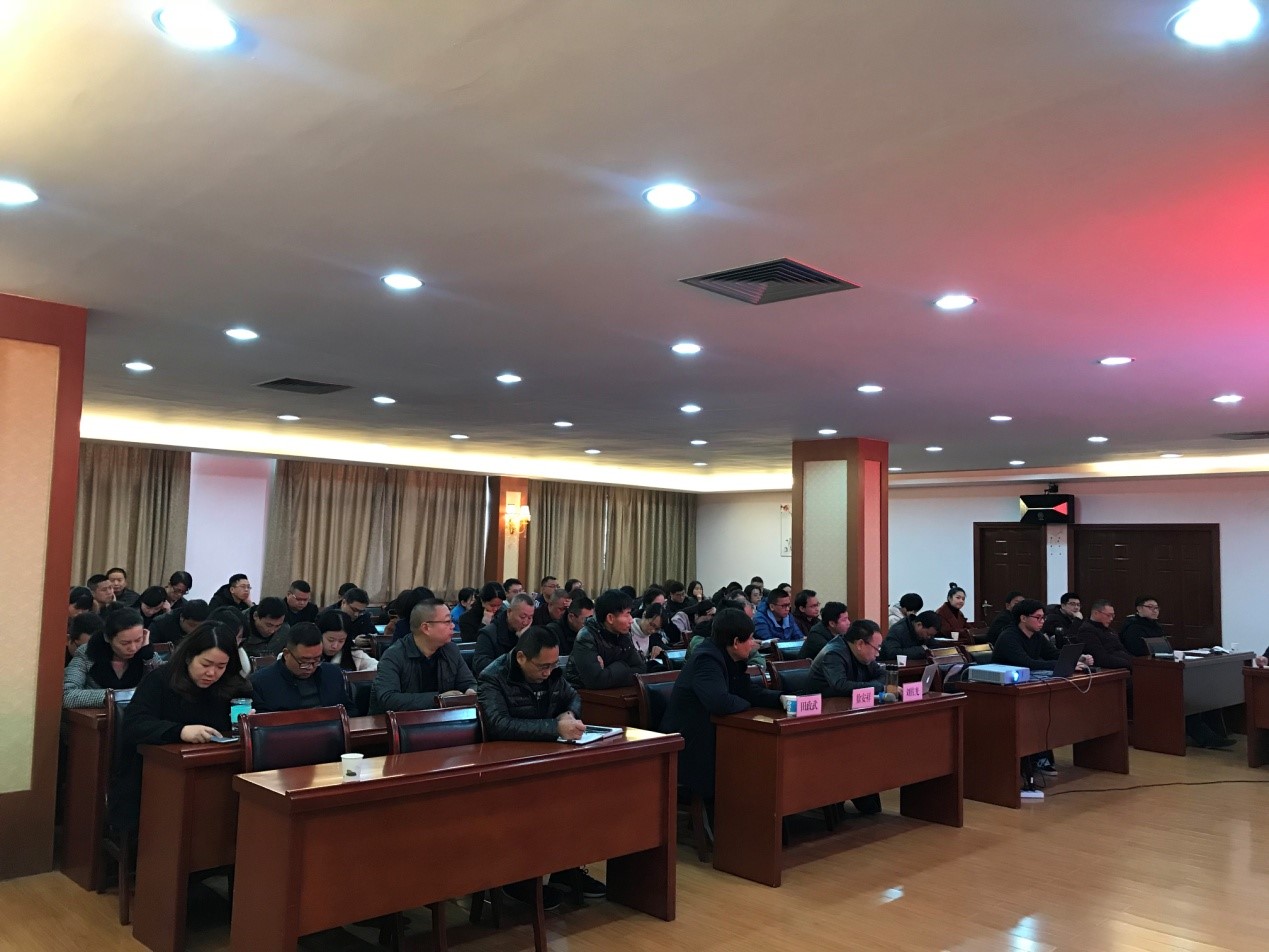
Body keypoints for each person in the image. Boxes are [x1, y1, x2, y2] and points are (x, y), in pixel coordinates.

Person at [477, 627, 604, 905]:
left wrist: (569, 714)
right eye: (543, 667)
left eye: (553, 665)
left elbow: (572, 695)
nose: (549, 672)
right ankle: (517, 880)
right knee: (537, 809)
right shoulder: (493, 677)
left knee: (580, 800)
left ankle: (566, 869)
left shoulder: (552, 672)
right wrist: (553, 727)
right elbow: (498, 725)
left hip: (546, 757)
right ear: (521, 657)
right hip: (506, 766)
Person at [109, 622, 250, 832]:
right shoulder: (160, 680)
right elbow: (134, 724)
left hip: (214, 776)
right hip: (151, 778)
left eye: (221, 667)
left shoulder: (233, 685)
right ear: (188, 657)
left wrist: (248, 723)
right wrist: (181, 731)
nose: (212, 673)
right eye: (205, 664)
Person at [661, 608, 783, 809]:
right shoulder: (707, 659)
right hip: (689, 743)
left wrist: (780, 699)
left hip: (711, 733)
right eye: (750, 639)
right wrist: (747, 703)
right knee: (748, 758)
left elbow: (746, 690)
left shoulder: (730, 657)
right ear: (735, 642)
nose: (753, 644)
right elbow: (719, 702)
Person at [370, 598, 476, 712]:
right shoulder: (393, 656)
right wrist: (439, 699)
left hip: (441, 719)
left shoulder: (451, 650)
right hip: (399, 721)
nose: (453, 626)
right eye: (447, 621)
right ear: (426, 628)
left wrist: (471, 691)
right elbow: (388, 699)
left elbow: (469, 683)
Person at [249, 622, 352, 713]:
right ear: (286, 654)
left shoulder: (333, 674)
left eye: (317, 660)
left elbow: (349, 711)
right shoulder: (260, 683)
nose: (310, 667)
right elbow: (261, 723)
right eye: (304, 661)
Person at [63, 607, 154, 707]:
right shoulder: (86, 653)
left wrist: (149, 659)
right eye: (125, 643)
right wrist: (114, 696)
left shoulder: (145, 650)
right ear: (107, 638)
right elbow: (67, 695)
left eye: (138, 640)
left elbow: (164, 686)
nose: (133, 648)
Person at [565, 588, 646, 689]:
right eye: (627, 614)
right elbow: (596, 681)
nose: (631, 620)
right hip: (581, 693)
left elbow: (641, 670)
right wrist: (623, 665)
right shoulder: (587, 636)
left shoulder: (623, 634)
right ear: (610, 618)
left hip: (613, 692)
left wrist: (608, 670)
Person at [994, 599, 1092, 673]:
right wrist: (1063, 664)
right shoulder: (1008, 637)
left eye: (1043, 617)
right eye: (1038, 617)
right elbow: (1027, 663)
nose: (1042, 621)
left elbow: (1052, 653)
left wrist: (1076, 658)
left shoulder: (1037, 635)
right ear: (1023, 618)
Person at [806, 620, 891, 701]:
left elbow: (884, 675)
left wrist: (875, 686)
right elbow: (841, 686)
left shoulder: (863, 656)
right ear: (860, 644)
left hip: (846, 703)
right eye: (877, 648)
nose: (877, 654)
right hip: (824, 706)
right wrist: (875, 686)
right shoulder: (833, 654)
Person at [473, 592, 536, 676]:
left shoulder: (532, 633)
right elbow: (480, 666)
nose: (525, 622)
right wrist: (521, 642)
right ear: (509, 612)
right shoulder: (488, 634)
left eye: (530, 618)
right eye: (522, 617)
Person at [1074, 601, 1133, 670]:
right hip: (1107, 667)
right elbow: (1100, 658)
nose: (1111, 619)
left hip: (1123, 662)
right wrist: (1130, 664)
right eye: (1108, 615)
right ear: (1096, 613)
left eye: (1113, 615)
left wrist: (1136, 662)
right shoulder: (1086, 630)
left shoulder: (1109, 630)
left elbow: (1122, 649)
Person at [628, 605, 675, 670]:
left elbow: (670, 651)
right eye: (651, 625)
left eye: (657, 629)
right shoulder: (626, 630)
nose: (653, 630)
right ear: (644, 615)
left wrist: (661, 651)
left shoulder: (654, 637)